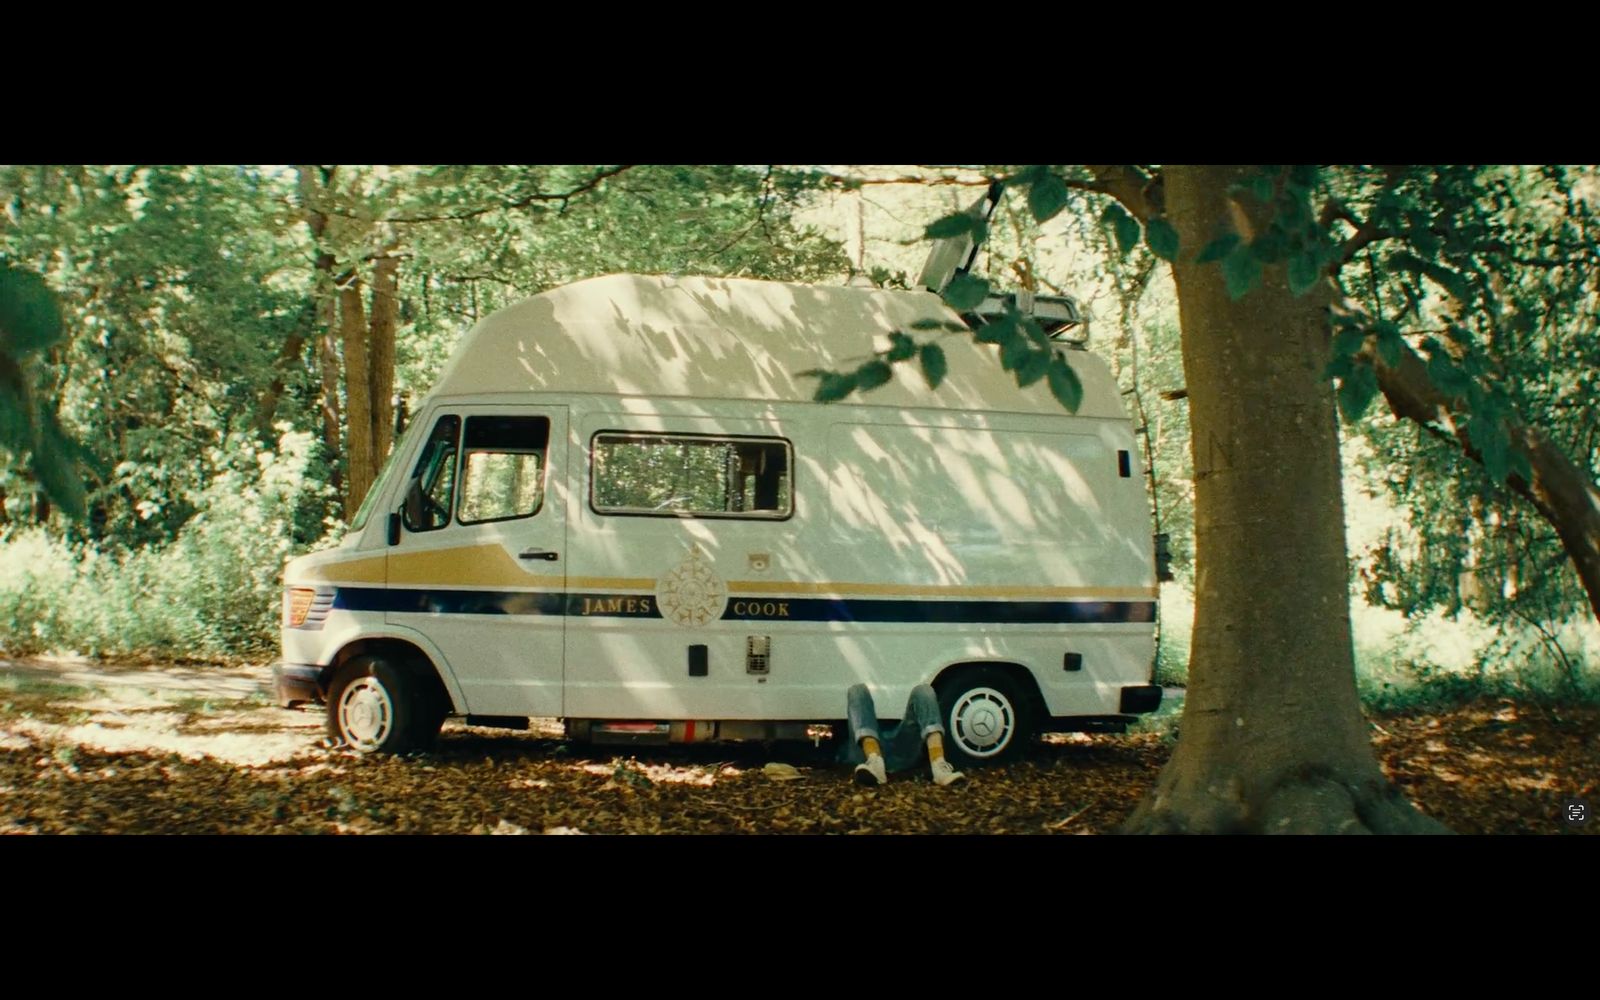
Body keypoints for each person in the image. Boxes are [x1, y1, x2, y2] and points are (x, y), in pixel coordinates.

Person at [839, 683, 965, 787]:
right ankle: (874, 763)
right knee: (857, 690)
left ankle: (938, 765)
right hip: (866, 751)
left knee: (923, 690)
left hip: (901, 747)